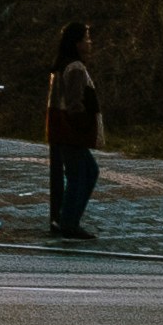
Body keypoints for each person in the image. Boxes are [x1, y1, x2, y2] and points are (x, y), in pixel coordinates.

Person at [41, 22, 103, 238]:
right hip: (71, 131)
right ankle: (68, 222)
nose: (90, 42)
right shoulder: (75, 67)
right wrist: (84, 126)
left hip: (60, 129)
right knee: (80, 175)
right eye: (86, 38)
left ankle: (68, 219)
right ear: (77, 43)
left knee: (87, 172)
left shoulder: (60, 65)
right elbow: (75, 104)